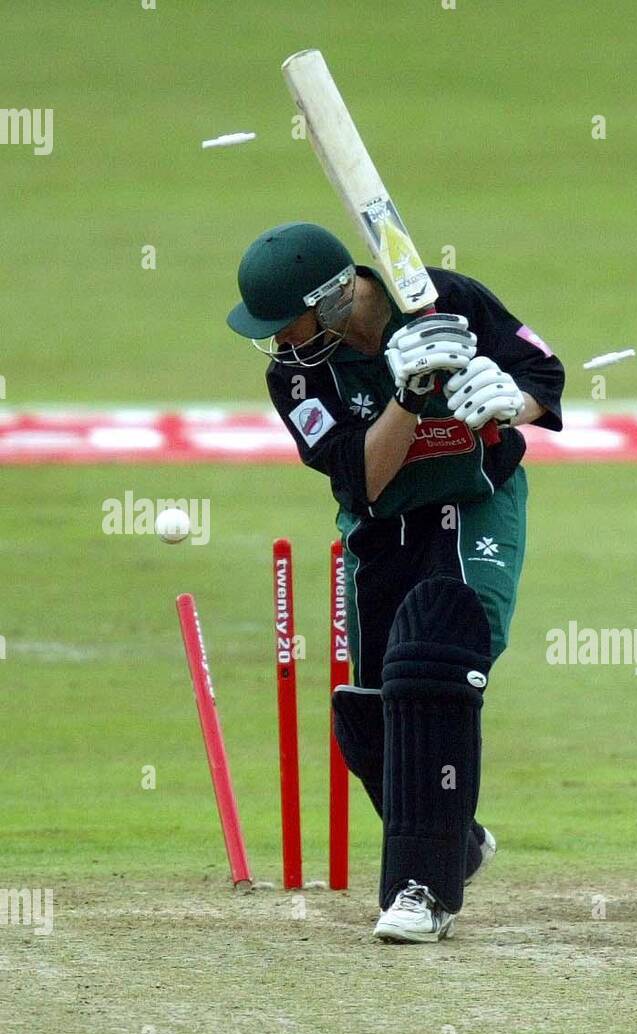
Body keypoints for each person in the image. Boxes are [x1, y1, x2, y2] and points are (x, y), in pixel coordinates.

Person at [228, 222, 564, 943]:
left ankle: (423, 889)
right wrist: (409, 395)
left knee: (437, 664)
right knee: (369, 716)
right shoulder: (295, 372)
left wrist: (507, 401)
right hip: (384, 526)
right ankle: (456, 843)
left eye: (285, 325)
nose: (280, 342)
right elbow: (364, 479)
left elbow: (544, 375)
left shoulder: (446, 300)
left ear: (335, 297)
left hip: (473, 501)